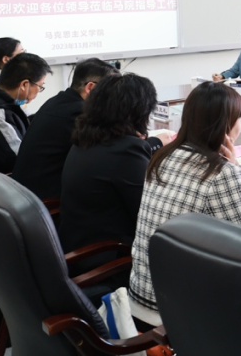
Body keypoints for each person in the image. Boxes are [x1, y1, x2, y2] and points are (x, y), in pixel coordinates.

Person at [128, 82, 241, 324]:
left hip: (140, 299)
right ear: (228, 125)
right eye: (240, 119)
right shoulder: (222, 174)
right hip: (179, 317)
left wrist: (235, 168)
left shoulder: (162, 157)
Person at [59, 73, 173, 279]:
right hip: (109, 257)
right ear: (140, 111)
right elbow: (152, 214)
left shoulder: (87, 137)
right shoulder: (126, 150)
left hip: (78, 245)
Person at [12, 58, 119, 199]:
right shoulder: (80, 112)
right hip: (45, 199)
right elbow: (108, 152)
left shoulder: (57, 101)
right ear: (90, 88)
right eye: (112, 91)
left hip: (25, 191)